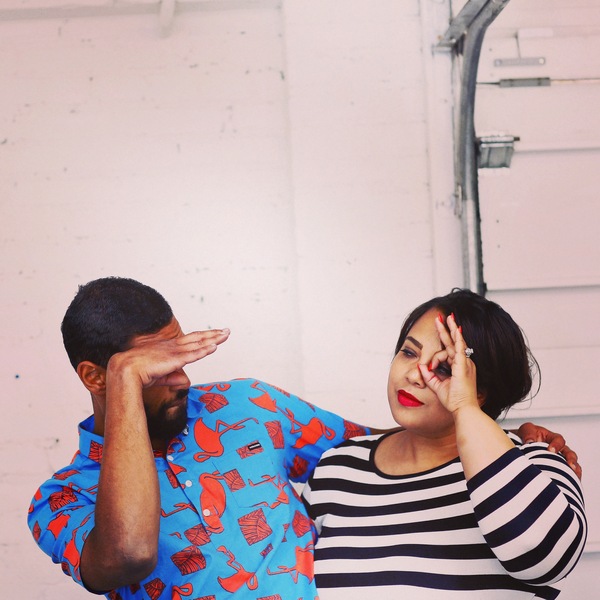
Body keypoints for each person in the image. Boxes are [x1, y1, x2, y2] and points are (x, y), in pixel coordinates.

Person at [27, 278, 579, 599]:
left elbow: (388, 447)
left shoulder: (247, 407)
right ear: (95, 377)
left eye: (181, 357)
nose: (184, 380)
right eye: (156, 369)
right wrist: (127, 383)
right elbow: (127, 555)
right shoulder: (62, 499)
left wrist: (497, 430)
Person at [302, 289, 587, 599]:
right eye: (409, 352)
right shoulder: (338, 467)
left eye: (444, 368)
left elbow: (544, 558)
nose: (415, 375)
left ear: (481, 391)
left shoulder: (539, 462)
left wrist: (464, 406)